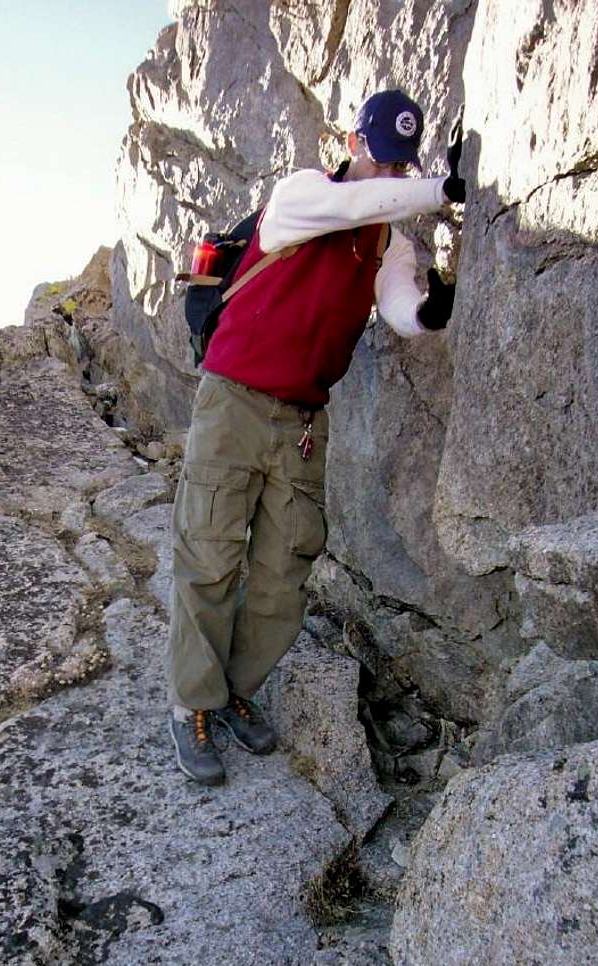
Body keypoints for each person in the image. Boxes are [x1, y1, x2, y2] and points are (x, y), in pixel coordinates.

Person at [168, 89, 465, 785]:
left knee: (282, 573)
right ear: (356, 144)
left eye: (402, 168)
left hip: (302, 419)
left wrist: (431, 311)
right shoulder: (305, 194)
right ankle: (192, 705)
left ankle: (235, 690)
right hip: (234, 400)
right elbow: (355, 205)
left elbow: (397, 310)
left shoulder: (388, 240)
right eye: (382, 160)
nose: (388, 177)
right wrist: (440, 189)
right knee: (210, 554)